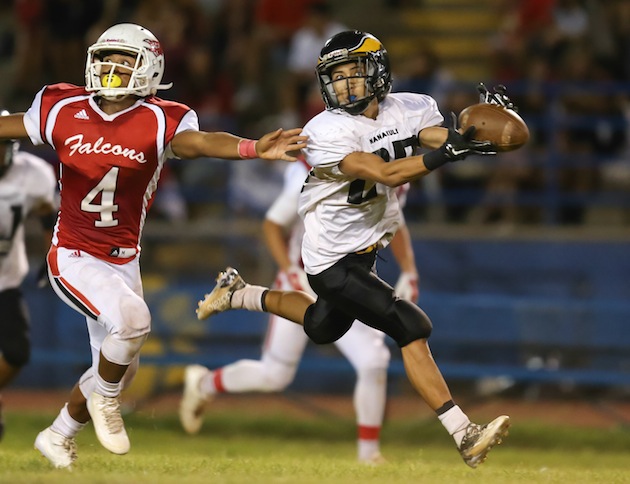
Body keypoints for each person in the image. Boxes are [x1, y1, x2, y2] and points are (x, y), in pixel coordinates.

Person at [196, 30, 510, 468]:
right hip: (329, 259)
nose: (343, 84)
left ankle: (239, 293)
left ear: (377, 71)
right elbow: (384, 173)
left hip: (364, 250)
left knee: (322, 326)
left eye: (352, 73)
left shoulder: (412, 106)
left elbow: (435, 136)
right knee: (410, 325)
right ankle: (463, 432)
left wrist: (469, 135)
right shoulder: (326, 129)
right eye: (335, 76)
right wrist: (450, 153)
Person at [0, 23, 306, 469]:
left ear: (149, 68)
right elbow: (6, 127)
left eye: (125, 60)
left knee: (123, 368)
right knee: (133, 323)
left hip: (124, 259)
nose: (112, 68)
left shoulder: (162, 118)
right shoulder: (62, 106)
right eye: (107, 58)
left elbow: (202, 143)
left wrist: (252, 147)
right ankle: (104, 404)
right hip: (73, 252)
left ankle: (59, 432)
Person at [180, 156, 419, 464]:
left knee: (373, 360)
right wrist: (290, 270)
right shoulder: (318, 176)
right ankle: (203, 384)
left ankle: (369, 454)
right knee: (274, 375)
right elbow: (272, 224)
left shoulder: (387, 178)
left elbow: (395, 219)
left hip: (349, 284)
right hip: (304, 283)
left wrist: (410, 270)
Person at [0, 109, 57, 441]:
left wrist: (54, 255)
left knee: (17, 352)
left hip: (5, 280)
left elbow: (47, 212)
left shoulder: (32, 175)